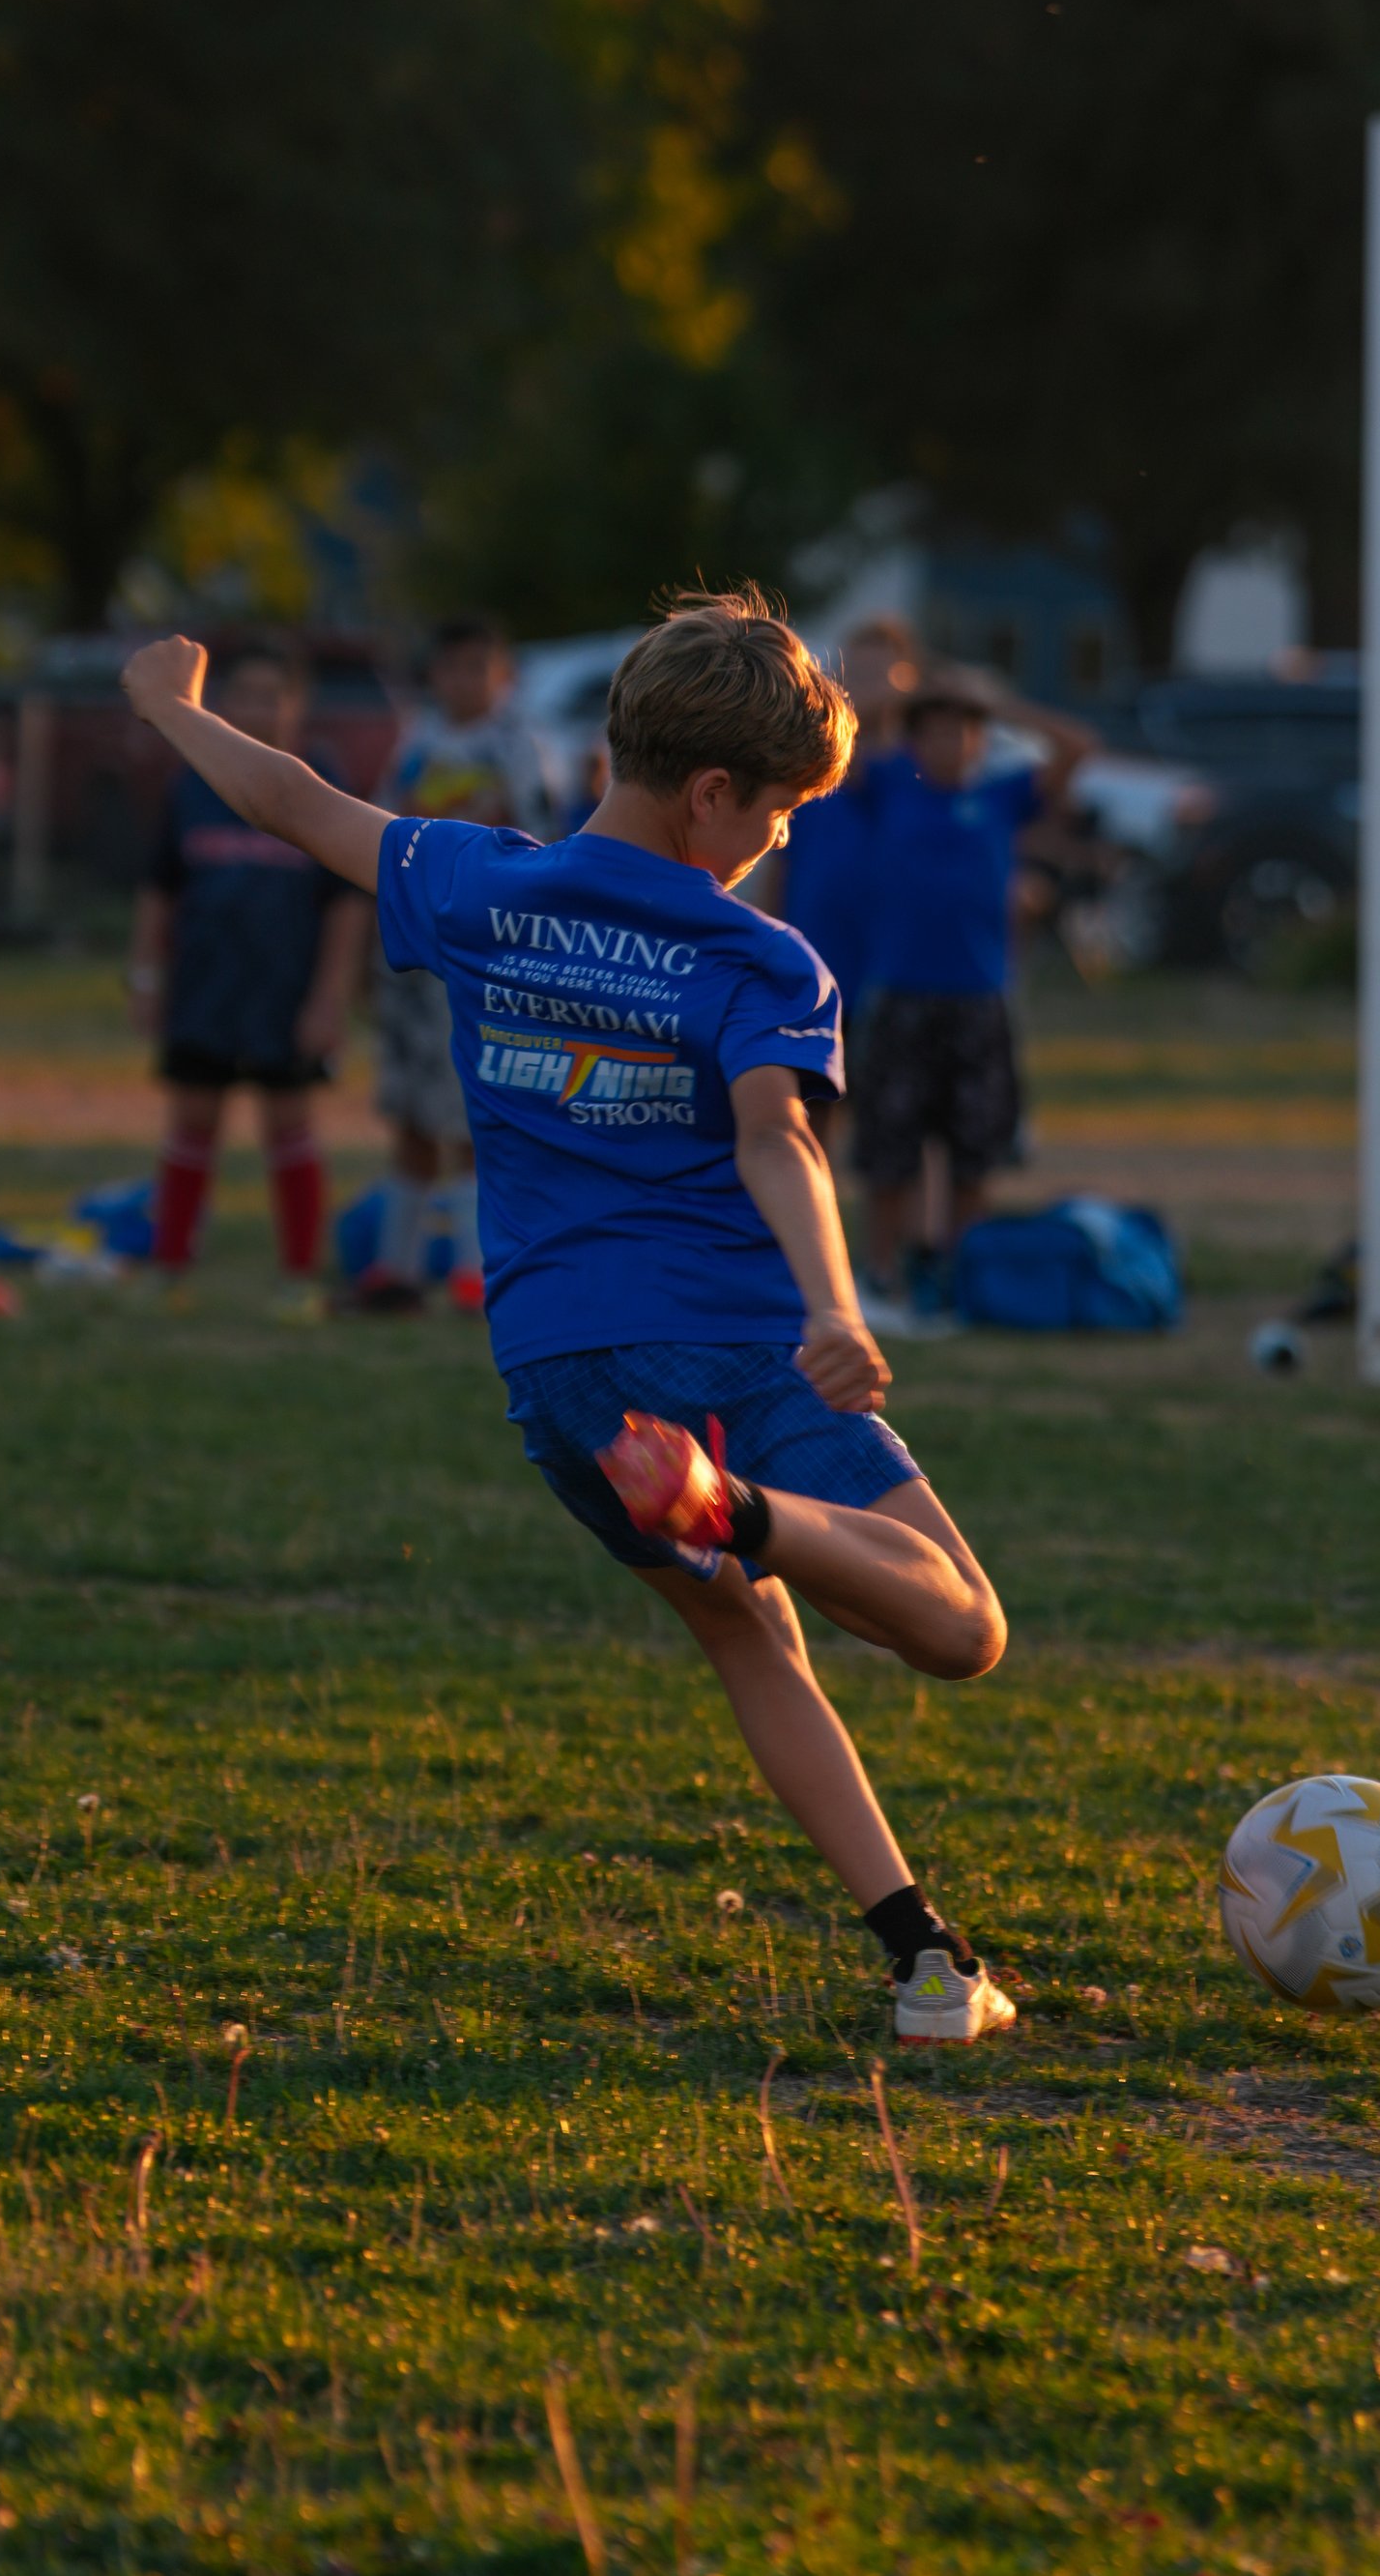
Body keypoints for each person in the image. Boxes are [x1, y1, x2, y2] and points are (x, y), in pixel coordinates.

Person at [120, 588, 1019, 2045]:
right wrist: (839, 1305)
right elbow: (775, 1141)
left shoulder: (478, 883)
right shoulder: (755, 958)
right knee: (964, 1626)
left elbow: (292, 801)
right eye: (781, 810)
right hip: (726, 1343)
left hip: (560, 1377)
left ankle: (925, 1955)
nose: (783, 838)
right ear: (713, 791)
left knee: (753, 1647)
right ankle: (753, 1515)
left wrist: (169, 704)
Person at [848, 662, 1096, 1328]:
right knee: (889, 1149)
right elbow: (822, 726)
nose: (950, 745)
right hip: (901, 994)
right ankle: (882, 1273)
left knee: (973, 1150)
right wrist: (902, 689)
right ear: (913, 741)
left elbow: (1077, 747)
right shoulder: (891, 784)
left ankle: (957, 1277)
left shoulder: (1005, 796)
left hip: (979, 999)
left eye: (963, 732)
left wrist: (1002, 703)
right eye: (935, 732)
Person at [127, 636, 365, 1323]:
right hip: (206, 985)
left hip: (284, 990)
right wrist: (145, 976)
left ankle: (298, 1277)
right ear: (221, 704)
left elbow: (346, 901)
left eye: (274, 695)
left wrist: (329, 997)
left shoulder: (317, 782)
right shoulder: (194, 781)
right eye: (246, 695)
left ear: (299, 705)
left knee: (288, 1124)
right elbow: (159, 889)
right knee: (191, 1119)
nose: (259, 709)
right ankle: (168, 1267)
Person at [364, 618, 554, 1316]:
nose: (464, 682)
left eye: (480, 667)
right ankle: (397, 1269)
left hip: (487, 956)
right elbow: (382, 837)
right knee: (412, 1112)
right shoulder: (416, 746)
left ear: (502, 675)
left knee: (481, 1112)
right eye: (451, 667)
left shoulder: (520, 748)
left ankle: (478, 1274)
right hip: (417, 960)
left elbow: (542, 842)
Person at [774, 616, 918, 1013]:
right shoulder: (810, 768)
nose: (865, 685)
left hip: (896, 973)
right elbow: (779, 866)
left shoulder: (919, 770)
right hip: (813, 959)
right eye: (856, 670)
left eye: (879, 673)